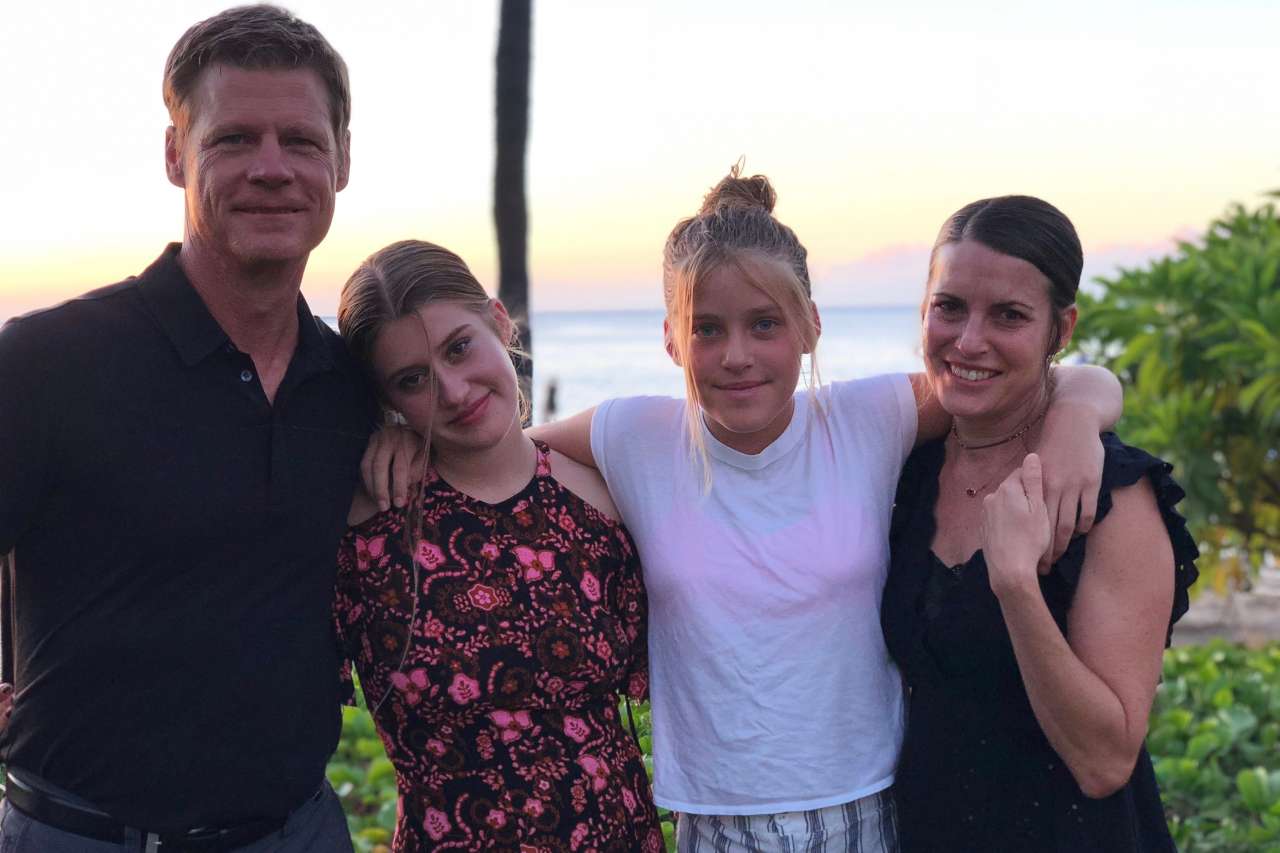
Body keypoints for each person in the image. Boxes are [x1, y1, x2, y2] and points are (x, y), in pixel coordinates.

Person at [367, 167, 1123, 851]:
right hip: (712, 822)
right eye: (708, 328)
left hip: (866, 809)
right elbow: (497, 447)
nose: (737, 354)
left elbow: (1032, 380)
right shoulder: (635, 435)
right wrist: (405, 437)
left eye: (765, 324)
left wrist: (1079, 416)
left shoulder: (869, 419)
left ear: (810, 327)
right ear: (670, 339)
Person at [0, 6, 374, 850]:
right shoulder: (47, 362)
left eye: (302, 142)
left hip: (301, 830)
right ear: (176, 154)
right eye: (235, 139)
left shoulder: (353, 386)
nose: (272, 169)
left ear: (342, 161)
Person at [880, 195, 1199, 851]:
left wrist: (1018, 585)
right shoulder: (906, 469)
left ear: (1062, 329)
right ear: (924, 310)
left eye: (1009, 315)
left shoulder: (1111, 497)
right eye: (950, 306)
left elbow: (1106, 760)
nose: (969, 340)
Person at [333, 240, 663, 851]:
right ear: (387, 401)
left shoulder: (603, 496)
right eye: (414, 380)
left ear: (499, 320)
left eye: (460, 347)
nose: (454, 391)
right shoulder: (367, 525)